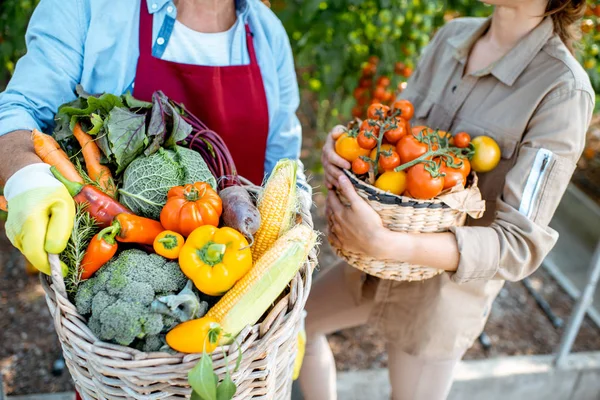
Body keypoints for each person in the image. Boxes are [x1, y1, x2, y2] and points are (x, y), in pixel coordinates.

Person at [302, 0, 594, 399]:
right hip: (376, 262)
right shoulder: (451, 38)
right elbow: (396, 138)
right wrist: (348, 148)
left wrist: (390, 243)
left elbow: (517, 244)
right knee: (299, 325)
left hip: (440, 297)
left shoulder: (562, 90)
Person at [0, 0, 310, 277]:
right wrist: (26, 178)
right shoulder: (85, 7)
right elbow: (20, 108)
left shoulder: (267, 32)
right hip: (115, 267)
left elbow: (284, 166)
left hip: (243, 270)